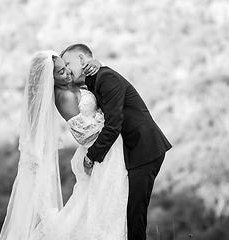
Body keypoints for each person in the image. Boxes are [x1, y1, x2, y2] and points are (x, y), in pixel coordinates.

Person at [0, 50, 128, 240]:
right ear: (49, 80)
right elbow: (84, 135)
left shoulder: (73, 84)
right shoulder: (64, 97)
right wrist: (109, 121)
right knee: (99, 211)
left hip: (108, 152)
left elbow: (91, 79)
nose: (67, 73)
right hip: (99, 155)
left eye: (66, 67)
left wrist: (98, 64)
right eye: (60, 72)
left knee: (100, 209)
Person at [61, 43, 172, 240]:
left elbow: (113, 125)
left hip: (144, 149)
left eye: (68, 63)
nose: (67, 69)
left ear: (80, 59)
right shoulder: (94, 80)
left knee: (134, 217)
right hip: (131, 150)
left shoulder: (106, 78)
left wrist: (91, 156)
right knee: (125, 213)